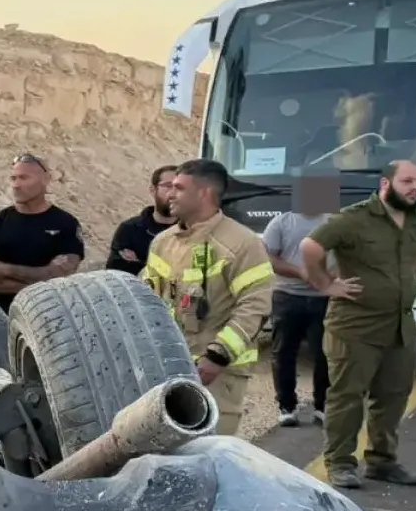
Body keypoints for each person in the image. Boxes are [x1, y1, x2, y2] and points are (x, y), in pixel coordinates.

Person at [297, 160, 416, 490]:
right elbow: (310, 247)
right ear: (385, 184)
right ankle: (340, 463)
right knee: (347, 397)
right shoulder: (354, 218)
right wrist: (325, 284)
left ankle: (382, 462)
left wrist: (412, 276)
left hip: (400, 325)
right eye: (407, 181)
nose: (415, 188)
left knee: (393, 396)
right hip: (355, 325)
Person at [141, 158, 275, 437]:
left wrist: (217, 357)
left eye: (178, 188)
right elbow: (147, 300)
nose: (170, 194)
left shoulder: (242, 243)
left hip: (219, 374)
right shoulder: (163, 243)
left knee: (210, 453)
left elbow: (256, 306)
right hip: (169, 365)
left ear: (204, 193)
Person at [260, 173, 342, 427]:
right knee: (283, 353)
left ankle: (322, 406)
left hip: (323, 298)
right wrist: (301, 272)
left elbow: (346, 256)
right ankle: (287, 406)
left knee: (325, 354)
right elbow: (270, 258)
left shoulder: (334, 223)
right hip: (287, 297)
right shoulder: (281, 223)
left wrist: (330, 278)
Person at [0, 152, 85, 311]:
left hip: (48, 316)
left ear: (45, 180)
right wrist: (41, 279)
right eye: (13, 178)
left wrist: (4, 269)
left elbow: (59, 280)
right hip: (0, 316)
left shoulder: (65, 224)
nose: (16, 185)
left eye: (24, 178)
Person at [105, 165, 180, 273]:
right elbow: (118, 273)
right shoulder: (130, 229)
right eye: (168, 186)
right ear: (153, 190)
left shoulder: (192, 230)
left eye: (179, 187)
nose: (174, 193)